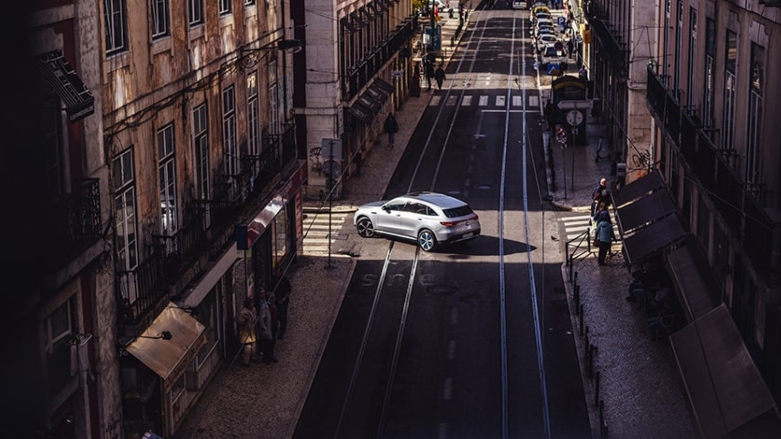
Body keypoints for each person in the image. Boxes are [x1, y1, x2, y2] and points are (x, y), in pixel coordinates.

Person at [255, 288, 278, 364]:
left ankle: (271, 356)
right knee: (267, 344)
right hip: (268, 327)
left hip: (273, 326)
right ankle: (266, 358)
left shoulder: (273, 305)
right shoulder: (264, 307)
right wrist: (264, 328)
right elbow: (261, 318)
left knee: (272, 342)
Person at [272, 266, 292, 339]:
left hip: (283, 300)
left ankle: (282, 330)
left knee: (283, 315)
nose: (276, 274)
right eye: (275, 272)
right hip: (276, 300)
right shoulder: (273, 279)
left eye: (277, 272)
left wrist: (283, 299)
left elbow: (289, 290)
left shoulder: (285, 280)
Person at [238, 298, 257, 366]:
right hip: (245, 331)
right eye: (251, 304)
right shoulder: (243, 312)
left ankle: (253, 357)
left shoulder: (254, 310)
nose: (252, 305)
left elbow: (254, 319)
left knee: (254, 345)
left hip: (252, 329)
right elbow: (240, 322)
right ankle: (246, 361)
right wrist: (244, 321)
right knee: (247, 347)